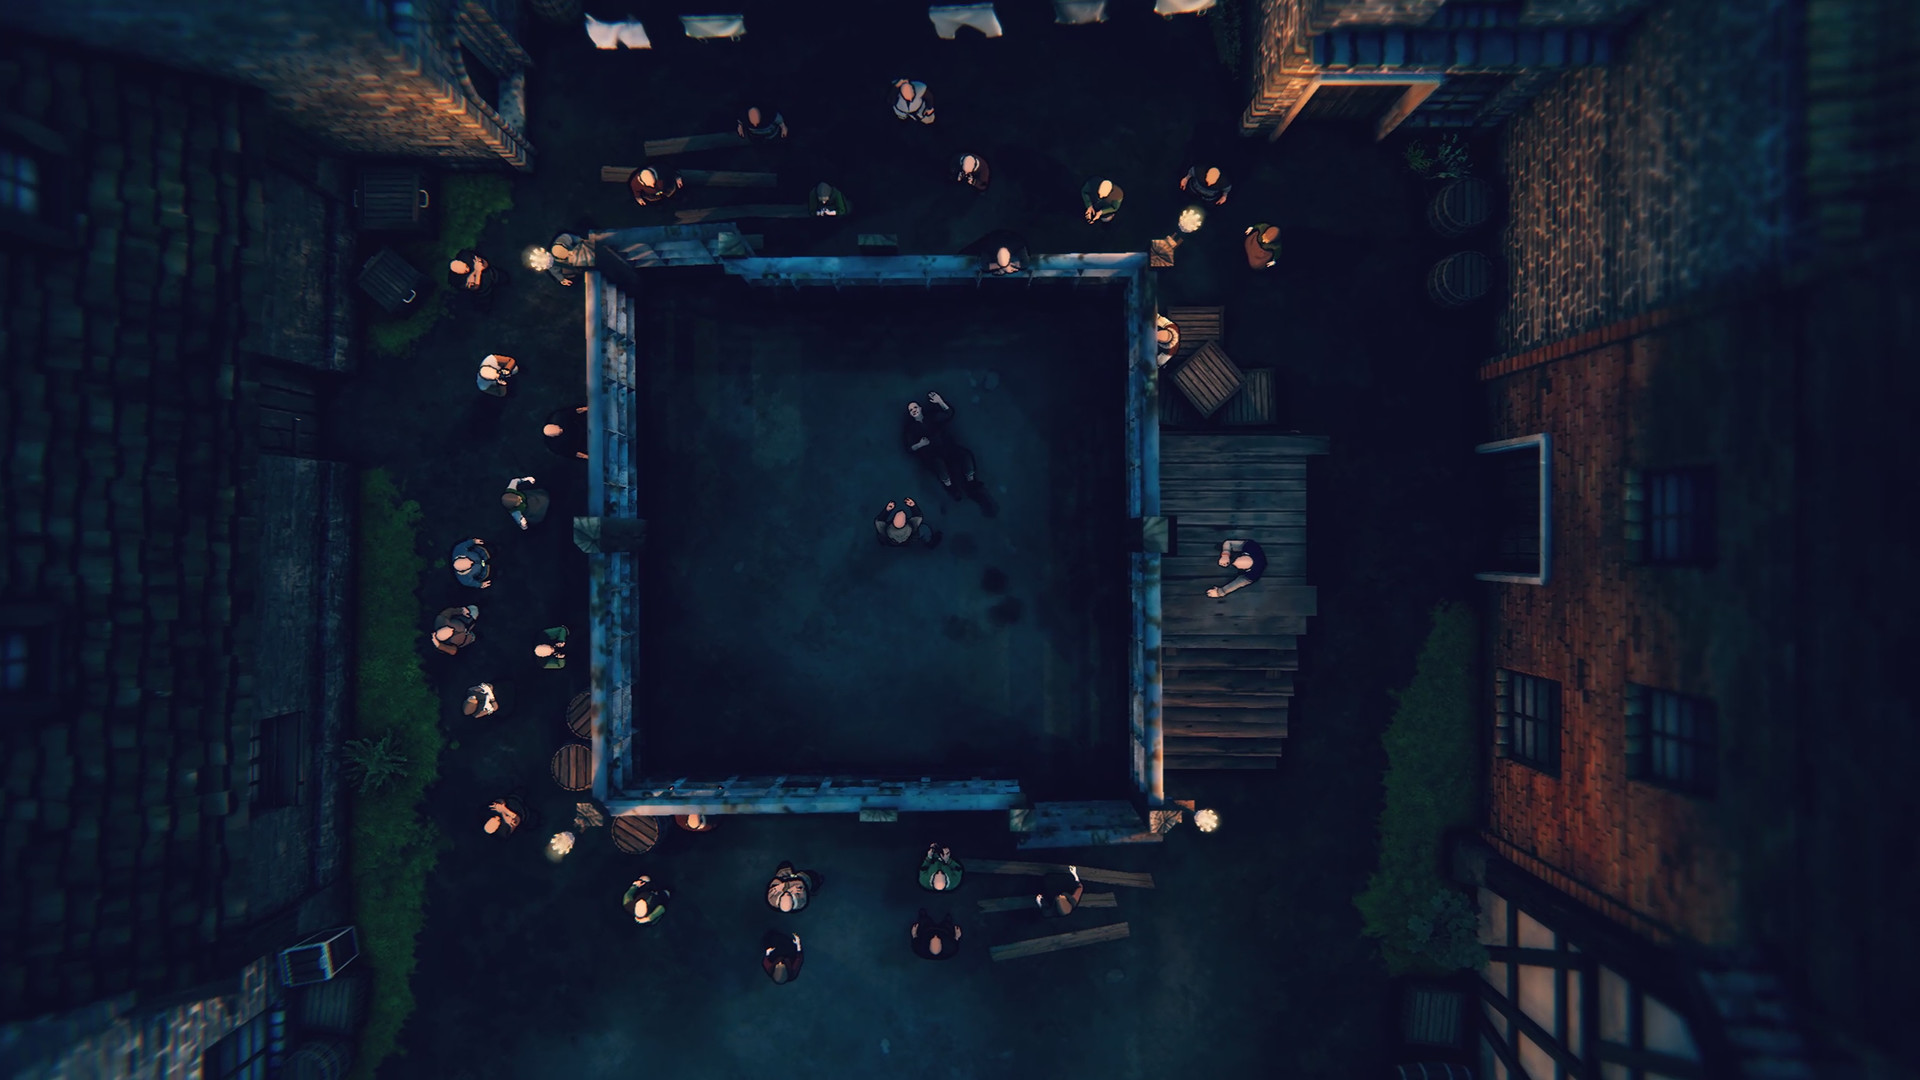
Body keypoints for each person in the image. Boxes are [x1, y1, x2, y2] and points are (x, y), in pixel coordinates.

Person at [903, 393, 984, 502]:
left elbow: (949, 413)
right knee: (940, 466)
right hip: (933, 454)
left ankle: (971, 482)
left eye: (915, 407)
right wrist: (920, 444)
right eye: (911, 410)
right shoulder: (911, 429)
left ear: (920, 408)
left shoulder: (932, 417)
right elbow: (909, 448)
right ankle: (951, 488)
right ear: (910, 414)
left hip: (947, 447)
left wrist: (940, 401)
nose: (913, 410)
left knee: (965, 455)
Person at [874, 498, 938, 548]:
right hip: (909, 540)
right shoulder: (912, 527)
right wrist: (913, 506)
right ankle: (930, 543)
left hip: (890, 542)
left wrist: (887, 510)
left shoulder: (884, 530)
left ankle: (882, 543)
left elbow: (879, 520)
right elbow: (918, 516)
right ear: (905, 522)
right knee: (924, 528)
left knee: (881, 535)